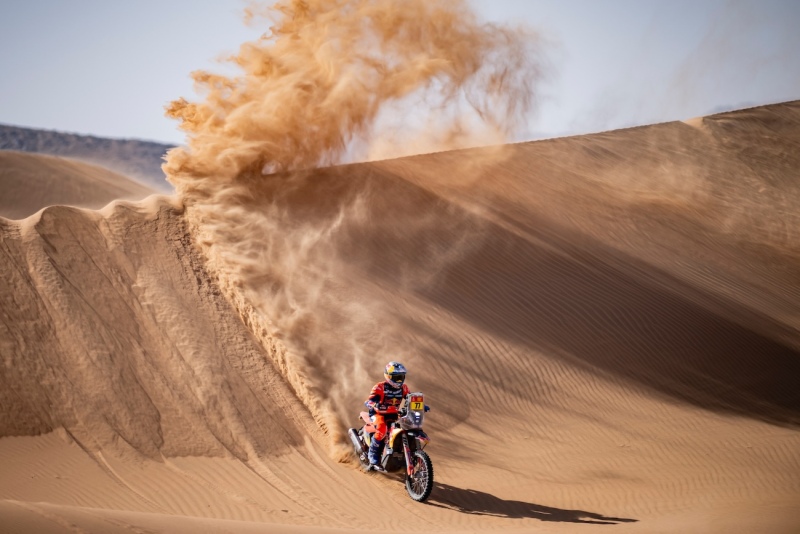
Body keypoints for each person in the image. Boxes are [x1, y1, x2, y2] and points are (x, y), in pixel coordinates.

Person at [364, 361, 409, 468]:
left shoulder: (404, 388)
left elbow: (410, 398)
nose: (399, 380)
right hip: (378, 414)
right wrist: (373, 404)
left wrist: (420, 405)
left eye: (401, 377)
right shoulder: (380, 387)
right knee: (382, 429)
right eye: (396, 377)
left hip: (394, 414)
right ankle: (373, 454)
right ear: (388, 376)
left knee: (407, 426)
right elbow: (369, 400)